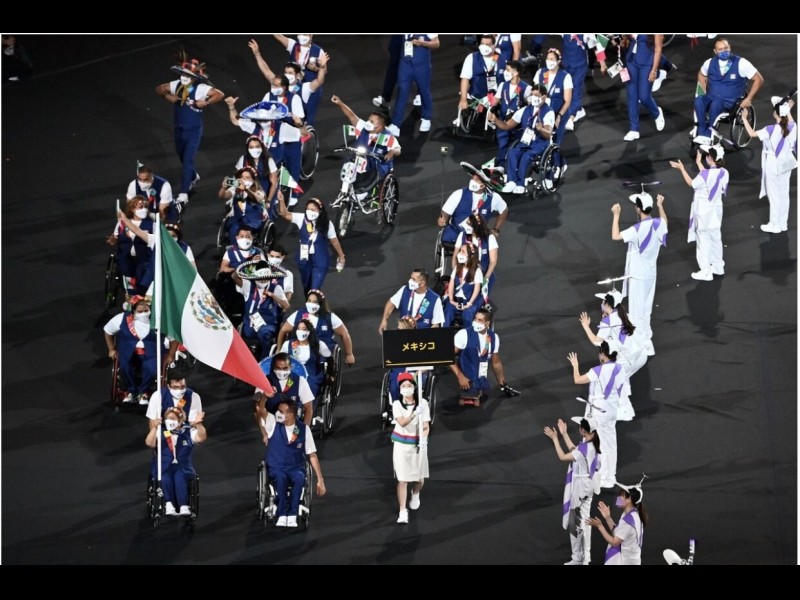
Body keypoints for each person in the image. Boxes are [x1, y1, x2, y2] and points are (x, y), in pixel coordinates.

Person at [155, 53, 224, 206]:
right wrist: (168, 96)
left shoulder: (201, 89)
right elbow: (159, 88)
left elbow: (219, 94)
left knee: (187, 159)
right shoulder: (176, 85)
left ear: (194, 78)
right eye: (182, 75)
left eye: (187, 76)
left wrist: (206, 102)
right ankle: (193, 176)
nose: (183, 78)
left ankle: (184, 192)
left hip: (193, 130)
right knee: (181, 154)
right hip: (178, 128)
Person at [568, 342, 631, 488]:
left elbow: (577, 380)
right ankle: (609, 475)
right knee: (611, 444)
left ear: (603, 354)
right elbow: (620, 390)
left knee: (601, 443)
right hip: (612, 410)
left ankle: (604, 476)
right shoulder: (620, 369)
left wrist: (575, 365)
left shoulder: (597, 370)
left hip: (599, 410)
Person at [611, 192, 668, 354]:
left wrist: (616, 215)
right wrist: (660, 206)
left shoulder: (636, 229)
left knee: (636, 313)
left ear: (638, 209)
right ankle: (647, 341)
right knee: (646, 310)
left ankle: (642, 345)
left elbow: (615, 236)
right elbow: (665, 221)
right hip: (651, 275)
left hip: (637, 276)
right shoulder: (658, 223)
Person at [258, 398, 326, 527]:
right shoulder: (273, 423)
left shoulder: (303, 429)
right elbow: (260, 409)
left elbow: (312, 455)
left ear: (290, 415)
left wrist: (320, 480)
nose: (277, 413)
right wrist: (265, 397)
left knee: (300, 477)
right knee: (281, 478)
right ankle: (282, 513)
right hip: (277, 467)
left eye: (281, 411)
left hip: (296, 467)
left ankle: (292, 514)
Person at [543, 416, 601, 565]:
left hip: (581, 488)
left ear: (583, 430)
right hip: (587, 485)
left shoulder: (584, 448)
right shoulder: (592, 445)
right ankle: (580, 557)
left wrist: (555, 439)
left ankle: (581, 558)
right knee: (578, 521)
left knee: (577, 522)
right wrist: (564, 434)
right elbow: (576, 452)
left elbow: (563, 457)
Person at [670, 144, 729, 280]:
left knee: (703, 240)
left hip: (704, 212)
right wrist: (698, 163)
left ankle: (705, 271)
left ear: (710, 158)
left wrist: (682, 169)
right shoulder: (724, 172)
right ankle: (718, 267)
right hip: (716, 211)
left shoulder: (705, 175)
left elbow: (692, 183)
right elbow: (707, 176)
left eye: (707, 155)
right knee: (716, 238)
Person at [693, 37, 763, 145]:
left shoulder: (741, 63)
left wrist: (749, 99)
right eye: (720, 49)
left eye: (726, 48)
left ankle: (709, 133)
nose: (724, 51)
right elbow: (701, 75)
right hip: (712, 97)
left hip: (730, 102)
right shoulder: (709, 62)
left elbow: (759, 79)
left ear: (729, 47)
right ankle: (702, 131)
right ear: (715, 51)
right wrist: (704, 91)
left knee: (716, 104)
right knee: (699, 100)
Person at [741, 97, 797, 233]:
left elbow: (752, 133)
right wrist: (788, 110)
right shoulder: (792, 126)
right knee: (784, 194)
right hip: (787, 163)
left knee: (774, 194)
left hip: (773, 163)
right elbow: (790, 120)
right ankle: (782, 223)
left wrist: (744, 118)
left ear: (775, 114)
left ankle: (774, 224)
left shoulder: (770, 129)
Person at [248, 38, 330, 127]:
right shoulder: (278, 83)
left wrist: (322, 67)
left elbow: (319, 81)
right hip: (277, 127)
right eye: (286, 72)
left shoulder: (304, 88)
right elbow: (267, 72)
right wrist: (257, 54)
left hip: (296, 126)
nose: (287, 75)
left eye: (290, 73)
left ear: (297, 75)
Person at [490, 84, 555, 194]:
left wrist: (541, 129)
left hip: (540, 145)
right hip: (526, 143)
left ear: (543, 97)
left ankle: (521, 184)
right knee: (512, 153)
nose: (533, 97)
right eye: (532, 95)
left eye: (536, 95)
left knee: (526, 156)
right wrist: (495, 120)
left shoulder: (549, 112)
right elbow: (507, 125)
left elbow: (548, 135)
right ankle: (511, 182)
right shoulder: (524, 110)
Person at [276, 193, 346, 296]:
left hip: (320, 259)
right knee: (307, 287)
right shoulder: (301, 218)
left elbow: (334, 240)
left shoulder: (327, 224)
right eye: (308, 209)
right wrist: (281, 200)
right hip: (304, 259)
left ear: (320, 211)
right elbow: (285, 214)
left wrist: (341, 256)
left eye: (313, 209)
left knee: (314, 289)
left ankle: (315, 300)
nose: (310, 211)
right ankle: (313, 301)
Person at [450, 307, 519, 407]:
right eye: (475, 319)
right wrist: (460, 376)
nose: (475, 322)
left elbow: (496, 363)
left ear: (487, 323)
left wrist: (503, 385)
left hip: (482, 376)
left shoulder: (494, 337)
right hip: (467, 376)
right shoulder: (463, 334)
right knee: (472, 393)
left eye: (480, 320)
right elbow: (449, 357)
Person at [146, 406, 207, 517]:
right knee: (166, 477)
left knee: (179, 476)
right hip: (164, 466)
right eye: (167, 418)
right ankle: (168, 504)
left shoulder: (188, 432)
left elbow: (201, 438)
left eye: (173, 418)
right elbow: (149, 443)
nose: (169, 421)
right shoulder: (160, 432)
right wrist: (154, 428)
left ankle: (183, 505)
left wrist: (199, 425)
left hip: (182, 466)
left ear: (180, 421)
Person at [331, 94, 401, 183]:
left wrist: (392, 152)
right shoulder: (363, 127)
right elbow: (351, 116)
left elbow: (398, 149)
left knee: (369, 177)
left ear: (380, 125)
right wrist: (340, 103)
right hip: (360, 160)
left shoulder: (387, 136)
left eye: (372, 121)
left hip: (377, 165)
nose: (368, 122)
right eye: (369, 120)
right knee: (348, 166)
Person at [104, 296, 161, 404]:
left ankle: (143, 392)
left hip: (151, 353)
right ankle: (131, 391)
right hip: (128, 351)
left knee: (151, 368)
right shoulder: (121, 318)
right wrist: (111, 349)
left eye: (146, 310)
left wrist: (171, 354)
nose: (144, 313)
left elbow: (172, 337)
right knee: (125, 366)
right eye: (140, 311)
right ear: (133, 311)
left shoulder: (158, 319)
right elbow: (107, 331)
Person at [579, 289, 647, 379]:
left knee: (608, 380)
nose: (602, 303)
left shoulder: (608, 320)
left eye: (603, 301)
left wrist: (585, 325)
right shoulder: (626, 315)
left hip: (629, 360)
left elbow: (596, 341)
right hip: (642, 355)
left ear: (607, 304)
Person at [392, 372, 430, 524]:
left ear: (414, 387)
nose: (406, 388)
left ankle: (415, 493)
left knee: (419, 479)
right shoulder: (396, 404)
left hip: (417, 445)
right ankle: (402, 511)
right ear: (400, 389)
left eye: (409, 385)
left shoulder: (423, 404)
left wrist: (424, 438)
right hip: (401, 445)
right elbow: (402, 422)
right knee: (402, 479)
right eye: (403, 386)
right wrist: (414, 414)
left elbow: (426, 425)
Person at [278, 289, 355, 364]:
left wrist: (349, 354)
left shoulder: (329, 317)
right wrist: (279, 349)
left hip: (321, 351)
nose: (311, 304)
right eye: (309, 301)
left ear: (320, 304)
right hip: (300, 347)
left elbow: (344, 334)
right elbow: (283, 330)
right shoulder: (298, 314)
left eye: (315, 302)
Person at [438, 163, 508, 244]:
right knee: (448, 238)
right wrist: (442, 219)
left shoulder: (494, 198)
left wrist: (496, 230)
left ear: (483, 185)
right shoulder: (458, 194)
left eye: (477, 179)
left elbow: (504, 210)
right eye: (473, 177)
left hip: (479, 235)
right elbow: (445, 213)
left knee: (491, 245)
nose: (473, 180)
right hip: (456, 231)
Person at [587, 477, 648, 565]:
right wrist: (608, 518)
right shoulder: (632, 514)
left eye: (621, 496)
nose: (618, 498)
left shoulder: (628, 521)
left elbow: (614, 542)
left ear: (629, 499)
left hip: (627, 562)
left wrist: (600, 526)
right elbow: (618, 532)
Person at [238, 261, 289, 358]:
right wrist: (247, 263)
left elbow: (286, 306)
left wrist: (273, 296)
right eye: (260, 278)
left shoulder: (276, 288)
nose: (263, 280)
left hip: (269, 324)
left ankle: (264, 360)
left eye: (265, 278)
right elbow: (234, 276)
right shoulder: (249, 285)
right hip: (250, 323)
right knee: (246, 334)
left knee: (263, 333)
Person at [390, 34, 439, 134]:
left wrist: (423, 43)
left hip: (422, 66)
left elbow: (436, 43)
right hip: (405, 64)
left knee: (424, 91)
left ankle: (426, 118)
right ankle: (395, 124)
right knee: (402, 91)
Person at [272, 35, 326, 125]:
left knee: (309, 114)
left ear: (311, 35)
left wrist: (315, 68)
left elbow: (324, 70)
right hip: (295, 84)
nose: (301, 36)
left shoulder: (319, 51)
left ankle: (307, 130)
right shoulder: (293, 45)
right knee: (292, 106)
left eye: (305, 34)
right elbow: (278, 36)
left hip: (312, 86)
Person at [106, 196, 153, 297]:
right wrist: (113, 240)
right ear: (132, 209)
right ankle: (130, 298)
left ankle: (141, 297)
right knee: (128, 278)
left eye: (145, 207)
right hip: (125, 258)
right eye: (140, 207)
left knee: (141, 279)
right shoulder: (122, 224)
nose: (144, 209)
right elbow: (116, 237)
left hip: (143, 259)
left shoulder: (152, 225)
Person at [533, 48, 573, 165]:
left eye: (552, 59)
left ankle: (558, 165)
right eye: (547, 58)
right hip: (543, 112)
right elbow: (535, 92)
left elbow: (567, 101)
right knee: (541, 138)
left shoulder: (565, 76)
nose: (549, 61)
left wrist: (559, 115)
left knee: (555, 141)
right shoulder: (540, 73)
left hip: (558, 113)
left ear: (558, 61)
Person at [491, 59, 531, 170]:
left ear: (516, 72)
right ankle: (500, 166)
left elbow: (530, 107)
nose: (505, 72)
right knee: (502, 144)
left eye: (508, 70)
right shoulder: (503, 85)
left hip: (517, 123)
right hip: (503, 120)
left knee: (515, 147)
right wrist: (488, 100)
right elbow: (494, 101)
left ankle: (514, 166)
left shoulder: (526, 88)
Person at [257, 352, 315, 427]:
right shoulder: (264, 381)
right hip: (272, 425)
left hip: (294, 425)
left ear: (290, 367)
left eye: (285, 368)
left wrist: (304, 431)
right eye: (278, 368)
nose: (281, 371)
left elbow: (309, 409)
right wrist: (264, 396)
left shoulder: (300, 381)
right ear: (273, 367)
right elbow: (257, 407)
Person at [379, 268, 444, 334]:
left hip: (423, 336)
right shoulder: (405, 290)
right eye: (411, 278)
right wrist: (384, 320)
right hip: (403, 334)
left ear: (422, 283)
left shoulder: (435, 299)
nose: (410, 281)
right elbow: (391, 303)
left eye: (413, 279)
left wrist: (429, 336)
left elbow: (435, 325)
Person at [280, 318, 331, 398]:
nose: (301, 331)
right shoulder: (288, 344)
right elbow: (280, 359)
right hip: (293, 374)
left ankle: (307, 404)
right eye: (299, 329)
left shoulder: (318, 344)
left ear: (309, 331)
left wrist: (330, 374)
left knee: (308, 389)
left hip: (310, 375)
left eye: (304, 329)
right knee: (288, 388)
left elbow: (329, 357)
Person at [453, 213, 499, 301]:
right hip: (465, 274)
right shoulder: (462, 235)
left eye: (468, 223)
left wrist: (486, 278)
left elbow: (493, 261)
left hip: (483, 273)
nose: (465, 225)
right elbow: (455, 256)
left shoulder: (489, 238)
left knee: (478, 302)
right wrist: (456, 273)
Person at [218, 166, 268, 244]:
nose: (244, 180)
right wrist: (223, 188)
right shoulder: (235, 189)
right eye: (242, 177)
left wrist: (246, 189)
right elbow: (222, 195)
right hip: (238, 219)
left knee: (245, 232)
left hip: (253, 220)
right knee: (234, 229)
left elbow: (258, 198)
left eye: (247, 178)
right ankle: (235, 248)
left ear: (253, 180)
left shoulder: (258, 191)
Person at [234, 136, 278, 213]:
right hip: (247, 195)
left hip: (265, 195)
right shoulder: (243, 160)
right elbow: (236, 178)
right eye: (251, 147)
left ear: (261, 147)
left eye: (257, 146)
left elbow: (274, 183)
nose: (254, 149)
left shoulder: (269, 161)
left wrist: (268, 200)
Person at [444, 243, 484, 328]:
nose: (459, 254)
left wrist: (469, 304)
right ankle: (444, 332)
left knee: (467, 313)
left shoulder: (477, 271)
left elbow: (476, 290)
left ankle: (467, 333)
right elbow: (451, 283)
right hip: (458, 299)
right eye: (460, 251)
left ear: (471, 256)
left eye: (463, 252)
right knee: (448, 310)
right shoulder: (458, 267)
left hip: (472, 300)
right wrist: (451, 300)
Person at [458, 35, 499, 114]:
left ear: (494, 46)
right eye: (482, 44)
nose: (484, 46)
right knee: (475, 117)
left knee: (491, 118)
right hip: (475, 99)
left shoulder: (502, 59)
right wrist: (463, 99)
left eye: (487, 44)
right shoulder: (471, 58)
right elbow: (465, 79)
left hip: (494, 100)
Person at [560, 35, 593, 131]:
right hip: (566, 65)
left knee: (576, 90)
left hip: (580, 66)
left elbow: (597, 45)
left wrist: (602, 63)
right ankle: (578, 109)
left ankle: (570, 118)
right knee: (565, 90)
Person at [373, 35, 404, 107]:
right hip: (399, 40)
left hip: (417, 40)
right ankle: (385, 97)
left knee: (420, 68)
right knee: (393, 67)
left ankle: (420, 95)